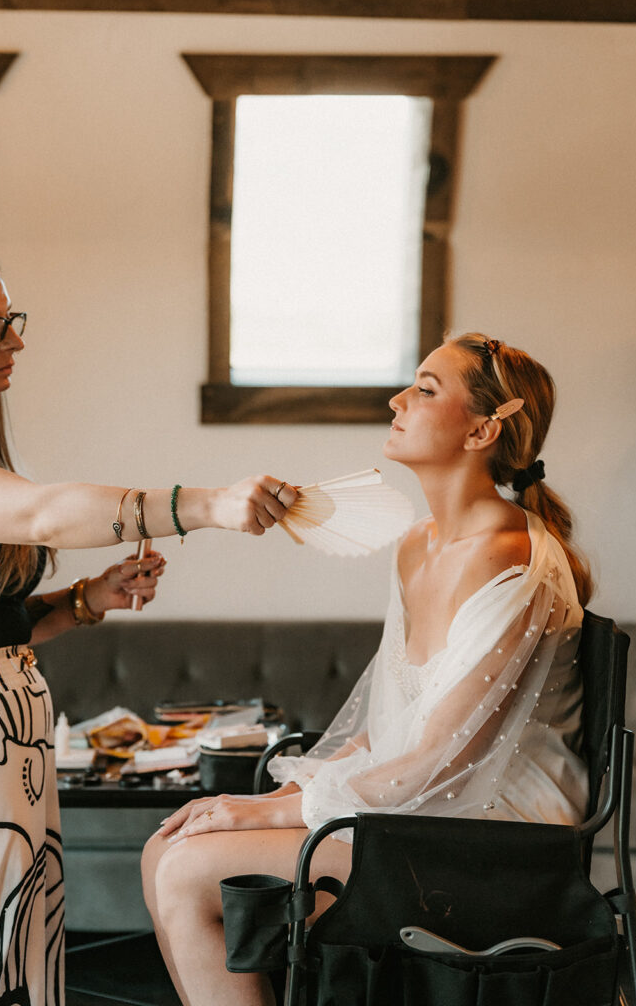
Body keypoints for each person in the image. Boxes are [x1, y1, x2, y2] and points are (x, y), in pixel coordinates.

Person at [142, 333, 593, 1006]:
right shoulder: (419, 543)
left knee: (186, 872)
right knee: (164, 851)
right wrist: (261, 805)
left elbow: (438, 758)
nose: (397, 398)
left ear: (482, 430)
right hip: (429, 810)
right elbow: (388, 729)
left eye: (426, 388)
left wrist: (258, 816)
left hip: (496, 843)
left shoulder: (507, 553)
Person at [0, 251, 297, 1006]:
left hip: (8, 748)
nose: (14, 340)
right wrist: (211, 505)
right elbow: (43, 513)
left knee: (15, 939)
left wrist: (85, 600)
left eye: (10, 321)